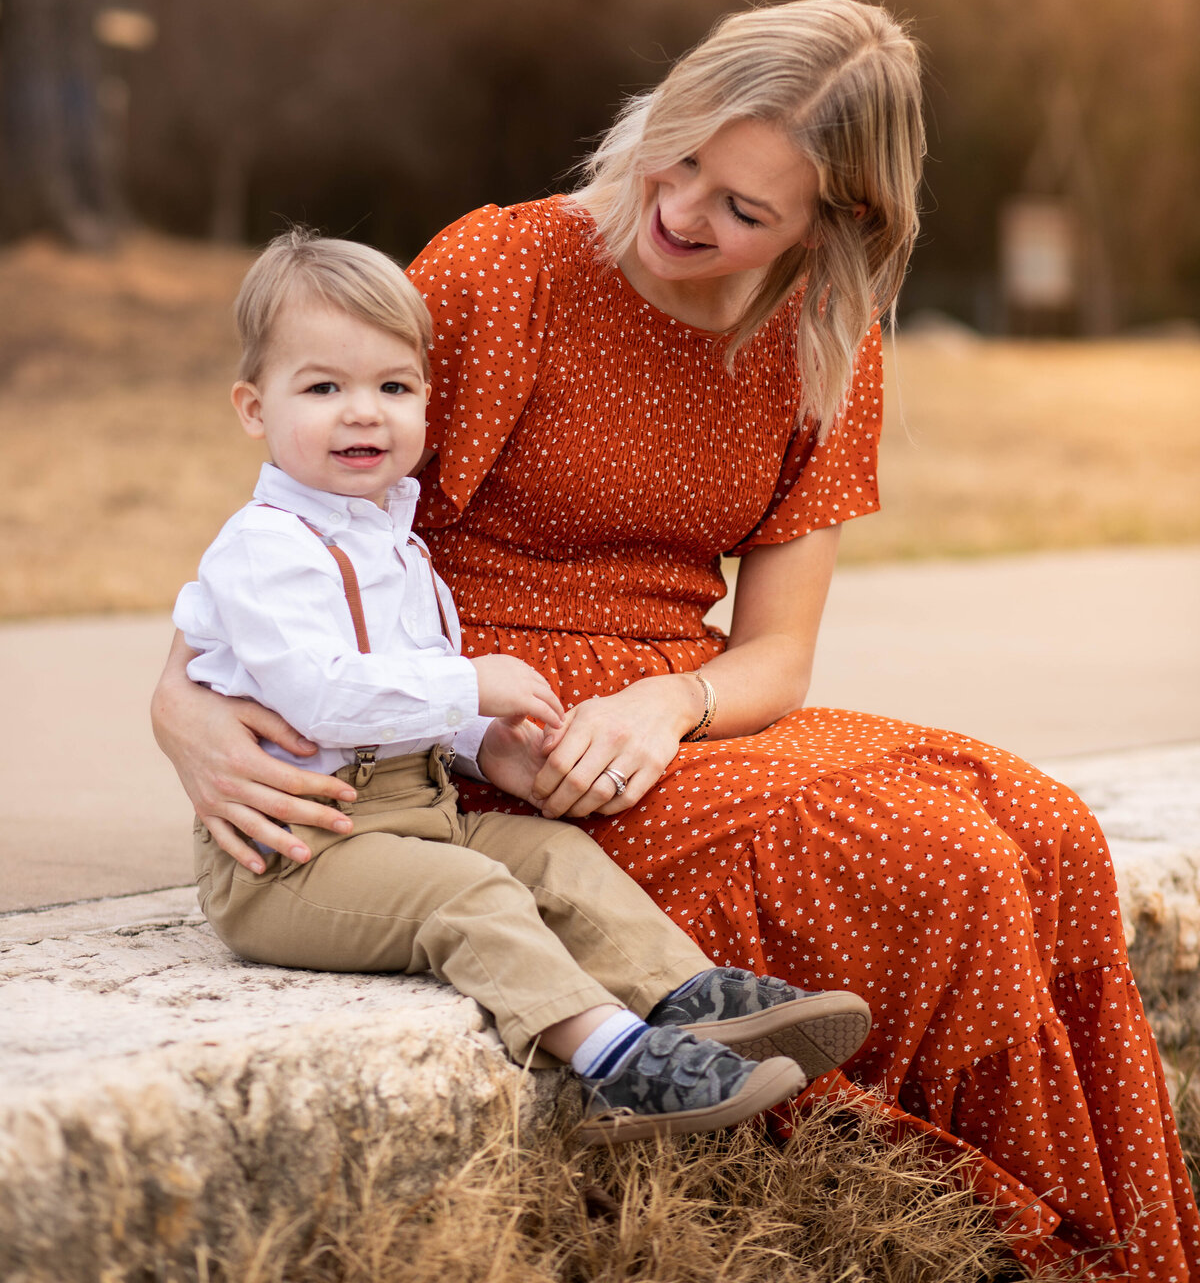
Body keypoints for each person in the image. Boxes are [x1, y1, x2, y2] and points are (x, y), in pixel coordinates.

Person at [154, 0, 1200, 1273]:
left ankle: (1126, 1248)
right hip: (493, 728)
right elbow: (302, 517)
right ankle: (1002, 1236)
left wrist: (668, 707)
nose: (685, 208)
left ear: (839, 225)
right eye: (682, 152)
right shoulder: (505, 269)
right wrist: (181, 709)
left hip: (665, 724)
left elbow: (776, 658)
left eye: (746, 208)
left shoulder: (828, 342)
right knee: (944, 864)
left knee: (1043, 826)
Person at [174, 228, 872, 1146]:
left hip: (410, 811)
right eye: (323, 388)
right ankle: (616, 1061)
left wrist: (490, 750)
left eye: (394, 388)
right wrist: (470, 687)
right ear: (252, 408)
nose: (363, 414)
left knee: (554, 856)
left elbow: (409, 705)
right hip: (295, 857)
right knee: (470, 897)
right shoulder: (264, 550)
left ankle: (689, 997)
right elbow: (322, 701)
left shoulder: (394, 539)